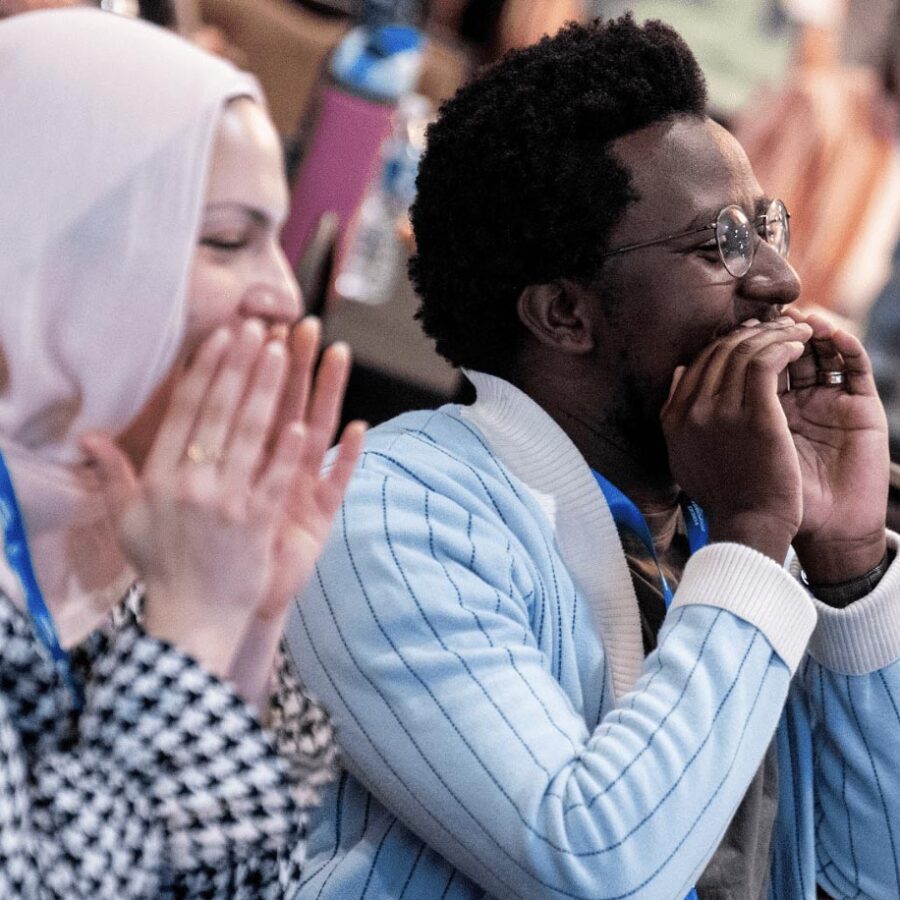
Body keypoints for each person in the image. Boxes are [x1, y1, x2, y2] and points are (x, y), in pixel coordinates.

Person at [285, 15, 900, 900]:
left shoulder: (730, 532)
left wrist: (849, 569)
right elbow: (597, 870)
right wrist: (753, 536)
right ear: (565, 314)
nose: (780, 280)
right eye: (723, 244)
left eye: (768, 227)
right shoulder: (392, 511)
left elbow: (869, 881)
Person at [0, 8, 364, 897]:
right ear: (48, 259)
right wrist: (196, 625)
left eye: (275, 244)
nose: (283, 297)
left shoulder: (127, 516)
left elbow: (255, 875)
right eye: (228, 241)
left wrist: (251, 620)